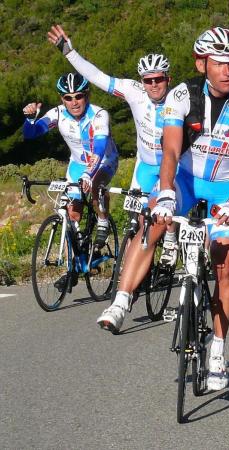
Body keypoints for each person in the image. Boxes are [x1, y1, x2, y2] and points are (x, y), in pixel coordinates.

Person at [153, 26, 229, 391]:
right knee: (157, 217)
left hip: (226, 191)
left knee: (225, 263)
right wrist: (167, 190)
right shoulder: (182, 95)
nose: (228, 70)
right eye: (220, 63)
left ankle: (218, 347)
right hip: (188, 181)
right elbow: (170, 150)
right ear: (204, 63)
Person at [44, 26, 182, 331]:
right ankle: (128, 284)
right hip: (145, 167)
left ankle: (170, 242)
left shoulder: (180, 98)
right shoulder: (134, 91)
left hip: (173, 169)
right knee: (136, 220)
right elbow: (96, 77)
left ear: (168, 80)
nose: (153, 85)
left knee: (162, 214)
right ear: (142, 82)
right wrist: (68, 51)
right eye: (149, 80)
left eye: (159, 79)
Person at [22, 73, 119, 286]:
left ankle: (102, 222)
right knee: (70, 216)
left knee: (95, 186)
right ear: (61, 99)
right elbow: (32, 133)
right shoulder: (58, 113)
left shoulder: (99, 115)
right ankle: (72, 268)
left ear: (87, 95)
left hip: (103, 161)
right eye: (68, 97)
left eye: (78, 96)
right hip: (76, 164)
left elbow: (100, 147)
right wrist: (30, 118)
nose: (73, 102)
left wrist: (89, 174)